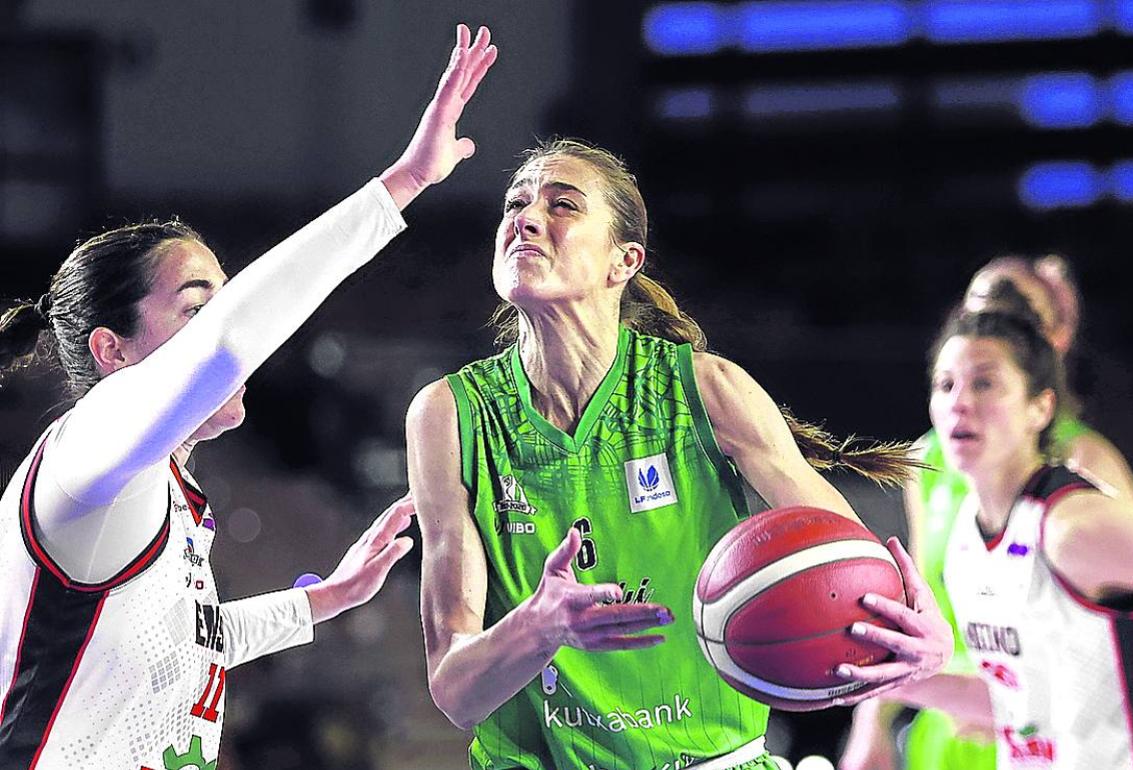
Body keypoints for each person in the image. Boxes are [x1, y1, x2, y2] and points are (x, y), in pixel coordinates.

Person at [0, 24, 497, 768]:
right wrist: (405, 183)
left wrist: (321, 601)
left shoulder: (157, 487)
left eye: (223, 305)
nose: (229, 334)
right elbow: (236, 338)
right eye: (197, 308)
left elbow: (187, 648)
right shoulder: (91, 451)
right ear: (112, 350)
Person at [404, 138, 954, 770]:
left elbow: (854, 568)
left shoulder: (707, 389)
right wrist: (540, 626)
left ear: (623, 261)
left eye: (563, 206)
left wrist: (925, 638)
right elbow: (454, 690)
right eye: (516, 203)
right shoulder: (450, 414)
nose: (526, 218)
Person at [843, 282, 1133, 769]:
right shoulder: (967, 541)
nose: (959, 401)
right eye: (945, 384)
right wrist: (877, 677)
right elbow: (1024, 704)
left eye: (984, 383)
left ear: (1041, 407)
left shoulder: (1073, 528)